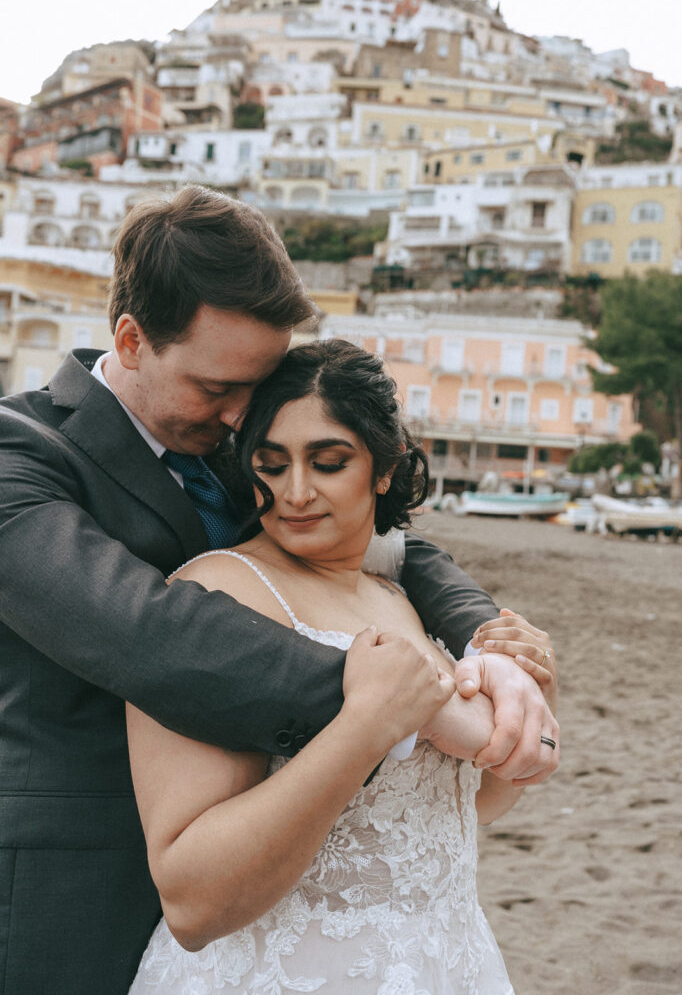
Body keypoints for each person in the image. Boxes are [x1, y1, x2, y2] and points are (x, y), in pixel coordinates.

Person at [0, 186, 557, 995]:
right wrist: (412, 703)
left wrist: (483, 642)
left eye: (252, 392)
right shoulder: (20, 456)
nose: (238, 421)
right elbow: (146, 634)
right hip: (75, 883)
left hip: (269, 864)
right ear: (130, 338)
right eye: (218, 388)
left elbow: (388, 548)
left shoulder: (234, 446)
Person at [128, 339, 558, 994]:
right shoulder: (224, 594)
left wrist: (526, 712)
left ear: (383, 469)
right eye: (271, 465)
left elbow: (447, 819)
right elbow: (192, 898)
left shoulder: (400, 597)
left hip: (447, 961)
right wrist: (369, 726)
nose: (295, 493)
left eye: (327, 462)